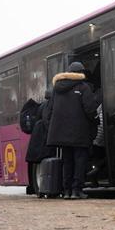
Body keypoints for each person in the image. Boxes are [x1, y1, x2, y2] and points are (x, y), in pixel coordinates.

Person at [46, 62, 98, 199]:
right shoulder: (83, 87)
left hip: (61, 133)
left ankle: (67, 191)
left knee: (67, 161)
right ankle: (77, 190)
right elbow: (90, 109)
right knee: (80, 161)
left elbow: (49, 111)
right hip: (79, 132)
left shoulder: (57, 89)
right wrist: (95, 121)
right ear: (81, 73)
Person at [25, 90, 54, 195]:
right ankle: (41, 188)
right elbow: (47, 121)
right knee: (42, 160)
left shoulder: (42, 106)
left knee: (36, 160)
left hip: (37, 138)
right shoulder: (49, 105)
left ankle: (35, 188)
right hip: (42, 138)